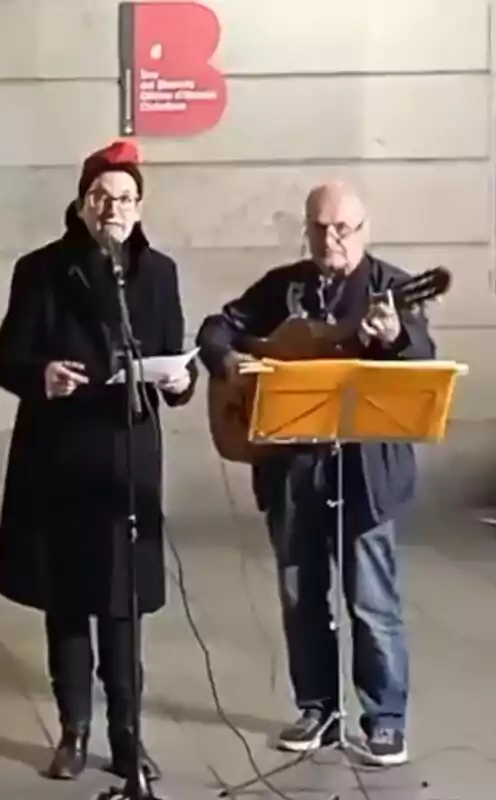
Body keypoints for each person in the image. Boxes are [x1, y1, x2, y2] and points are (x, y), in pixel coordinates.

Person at [195, 181, 431, 767]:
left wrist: (394, 337)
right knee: (302, 596)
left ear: (364, 229)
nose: (332, 239)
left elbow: (422, 360)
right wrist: (232, 363)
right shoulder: (283, 287)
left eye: (343, 228)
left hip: (364, 471)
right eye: (320, 228)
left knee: (371, 599)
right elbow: (214, 329)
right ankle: (318, 709)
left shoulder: (394, 289)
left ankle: (385, 719)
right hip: (292, 469)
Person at [0, 139, 196, 783]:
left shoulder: (157, 274)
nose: (114, 208)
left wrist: (180, 383)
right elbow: (4, 359)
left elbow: (172, 355)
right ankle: (74, 731)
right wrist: (41, 373)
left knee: (123, 604)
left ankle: (127, 736)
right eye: (101, 197)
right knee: (68, 600)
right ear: (81, 205)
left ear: (139, 207)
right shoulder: (41, 270)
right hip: (59, 455)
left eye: (126, 198)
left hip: (126, 461)